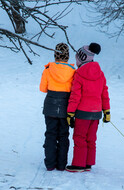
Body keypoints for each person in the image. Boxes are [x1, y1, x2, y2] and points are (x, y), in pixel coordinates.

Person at [65, 43, 110, 172]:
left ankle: (79, 164)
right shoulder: (100, 73)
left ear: (81, 58)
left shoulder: (79, 74)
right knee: (91, 138)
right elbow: (104, 93)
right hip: (96, 113)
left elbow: (75, 96)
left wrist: (70, 113)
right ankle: (88, 163)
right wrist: (106, 111)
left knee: (79, 138)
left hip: (82, 113)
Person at [40, 43, 76, 171]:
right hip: (66, 106)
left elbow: (42, 89)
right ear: (67, 56)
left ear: (55, 55)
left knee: (50, 134)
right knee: (63, 135)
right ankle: (61, 164)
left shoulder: (48, 69)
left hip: (50, 105)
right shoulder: (73, 71)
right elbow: (74, 90)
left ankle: (50, 164)